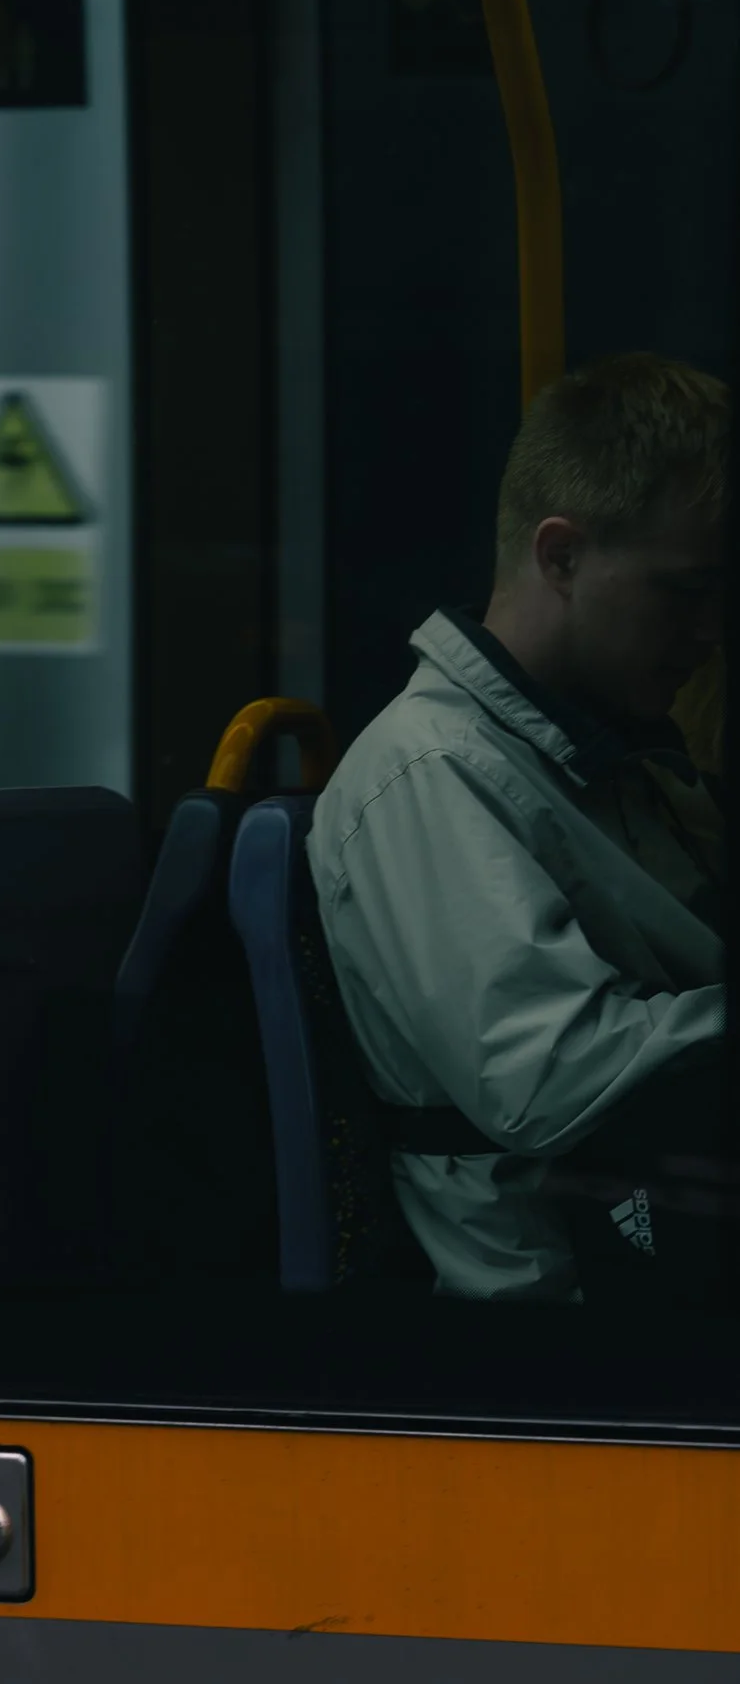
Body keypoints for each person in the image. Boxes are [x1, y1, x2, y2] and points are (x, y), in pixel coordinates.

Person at [311, 353, 727, 1301]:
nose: (713, 631)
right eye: (686, 590)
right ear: (561, 555)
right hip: (561, 1285)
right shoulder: (433, 769)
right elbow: (551, 1074)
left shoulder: (612, 755)